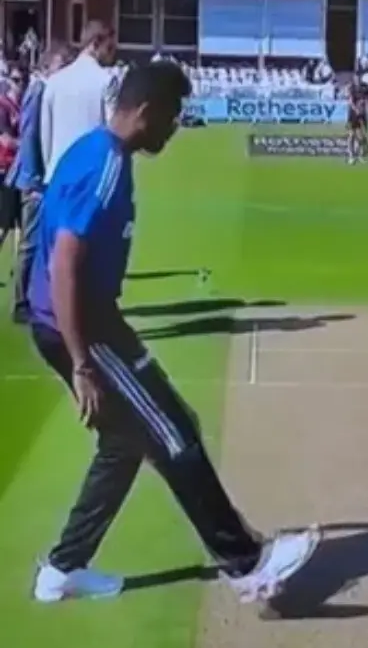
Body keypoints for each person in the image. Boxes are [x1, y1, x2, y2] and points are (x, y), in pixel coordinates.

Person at [26, 61, 320, 604]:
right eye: (172, 115)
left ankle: (63, 569)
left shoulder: (98, 152)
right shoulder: (104, 165)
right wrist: (82, 362)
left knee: (125, 443)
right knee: (173, 432)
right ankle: (246, 564)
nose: (175, 127)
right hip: (85, 329)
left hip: (88, 321)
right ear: (145, 111)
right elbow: (63, 262)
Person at [8, 45, 73, 324]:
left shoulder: (50, 91)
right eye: (63, 66)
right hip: (33, 180)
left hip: (43, 179)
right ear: (49, 66)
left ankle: (40, 299)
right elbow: (30, 136)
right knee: (31, 243)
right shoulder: (39, 91)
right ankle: (21, 302)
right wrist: (34, 180)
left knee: (44, 242)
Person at [39, 21, 117, 183]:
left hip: (58, 174)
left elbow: (45, 134)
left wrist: (49, 168)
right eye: (109, 48)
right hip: (89, 176)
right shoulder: (106, 81)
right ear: (95, 44)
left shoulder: (54, 81)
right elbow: (112, 133)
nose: (112, 55)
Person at [0, 67, 23, 255]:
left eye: (22, 80)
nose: (19, 85)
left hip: (18, 168)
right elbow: (6, 140)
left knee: (19, 222)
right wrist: (26, 145)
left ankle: (18, 265)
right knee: (5, 222)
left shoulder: (21, 106)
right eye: (15, 80)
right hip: (5, 168)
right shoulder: (2, 107)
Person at [346, 78, 368, 165]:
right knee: (351, 135)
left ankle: (360, 155)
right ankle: (351, 156)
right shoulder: (352, 89)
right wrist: (356, 110)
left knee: (361, 137)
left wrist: (364, 111)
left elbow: (366, 102)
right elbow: (351, 102)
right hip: (353, 116)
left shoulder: (364, 89)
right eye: (356, 79)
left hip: (362, 116)